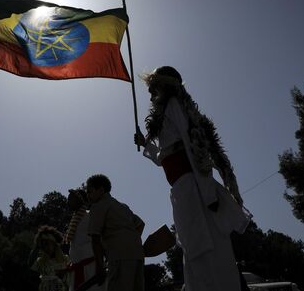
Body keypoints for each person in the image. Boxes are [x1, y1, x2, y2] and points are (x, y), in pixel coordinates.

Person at [134, 66, 251, 291]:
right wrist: (145, 143)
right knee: (193, 249)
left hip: (194, 187)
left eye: (153, 88)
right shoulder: (165, 112)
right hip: (181, 189)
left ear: (165, 85)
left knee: (206, 249)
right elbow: (164, 157)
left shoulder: (174, 106)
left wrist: (208, 193)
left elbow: (193, 147)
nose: (150, 94)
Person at [86, 174, 145, 291]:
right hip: (138, 255)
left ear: (101, 190)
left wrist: (99, 267)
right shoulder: (122, 206)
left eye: (90, 191)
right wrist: (131, 243)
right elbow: (140, 224)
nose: (88, 195)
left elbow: (95, 238)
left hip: (119, 256)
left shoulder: (98, 206)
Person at [64, 189, 104, 291]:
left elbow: (99, 238)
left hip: (91, 266)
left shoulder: (90, 216)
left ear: (79, 200)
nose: (68, 202)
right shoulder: (75, 219)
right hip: (77, 266)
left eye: (71, 199)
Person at [29, 226, 69, 291]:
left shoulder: (65, 259)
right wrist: (36, 246)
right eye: (43, 245)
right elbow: (30, 264)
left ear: (54, 244)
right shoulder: (41, 261)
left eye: (47, 244)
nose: (46, 248)